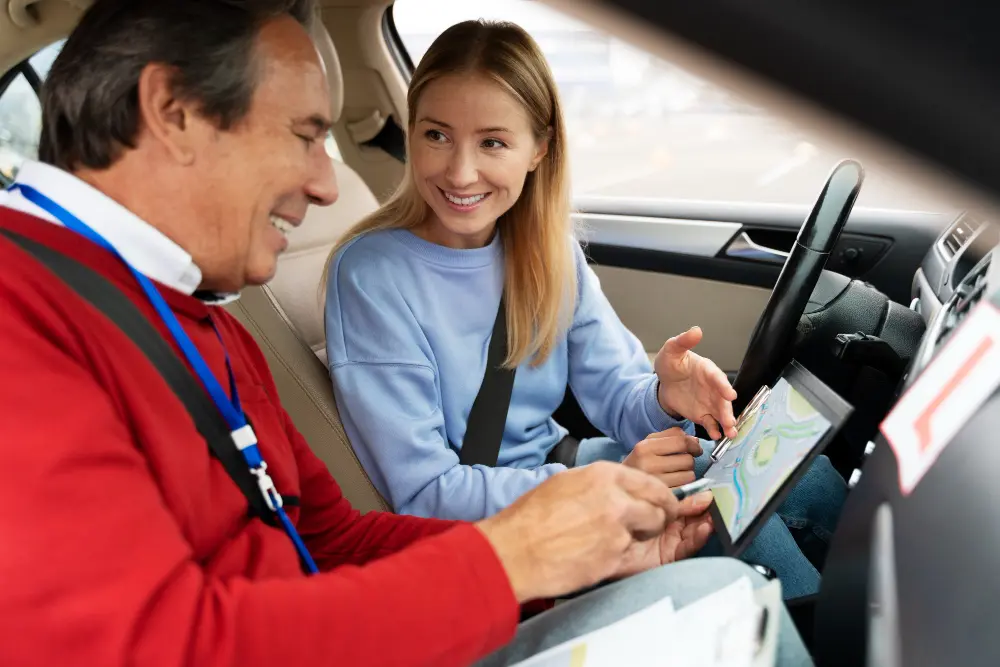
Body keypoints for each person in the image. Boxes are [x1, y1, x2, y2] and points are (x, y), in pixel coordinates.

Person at [0, 1, 814, 666]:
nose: (327, 184)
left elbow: (333, 535)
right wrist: (514, 558)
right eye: (304, 136)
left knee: (726, 584)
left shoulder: (199, 317)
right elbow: (158, 644)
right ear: (173, 113)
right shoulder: (22, 317)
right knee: (737, 609)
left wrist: (577, 559)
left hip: (364, 629)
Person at [324, 19, 848, 599]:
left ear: (538, 149)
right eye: (437, 135)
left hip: (566, 472)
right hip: (510, 535)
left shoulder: (549, 254)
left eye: (492, 142)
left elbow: (618, 398)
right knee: (748, 540)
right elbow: (424, 493)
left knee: (807, 480)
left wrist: (663, 395)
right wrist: (607, 484)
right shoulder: (373, 275)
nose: (460, 171)